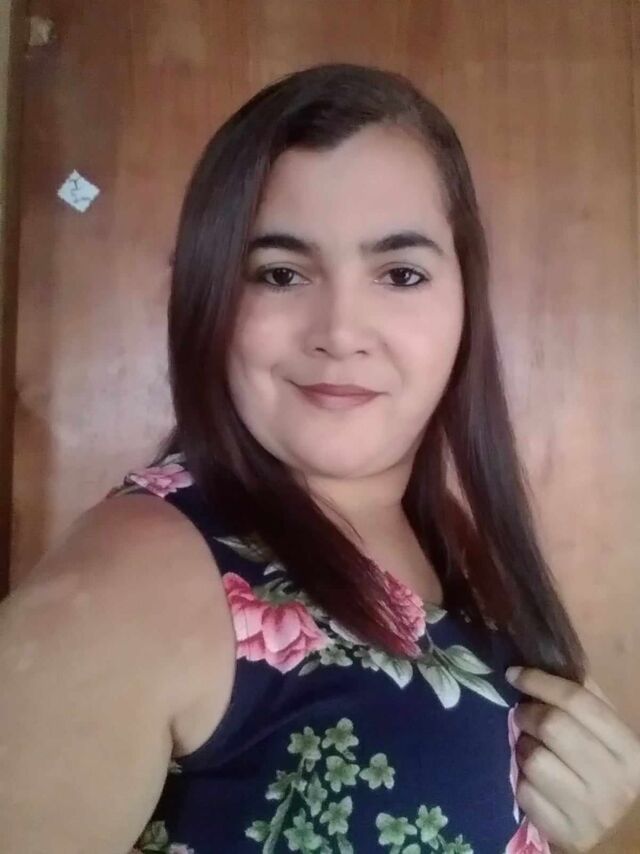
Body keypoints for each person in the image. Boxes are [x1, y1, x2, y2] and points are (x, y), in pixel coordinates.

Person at [1, 63, 638, 854]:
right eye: (280, 274)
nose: (339, 330)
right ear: (209, 298)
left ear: (465, 302)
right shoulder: (133, 578)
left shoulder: (455, 542)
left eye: (400, 274)